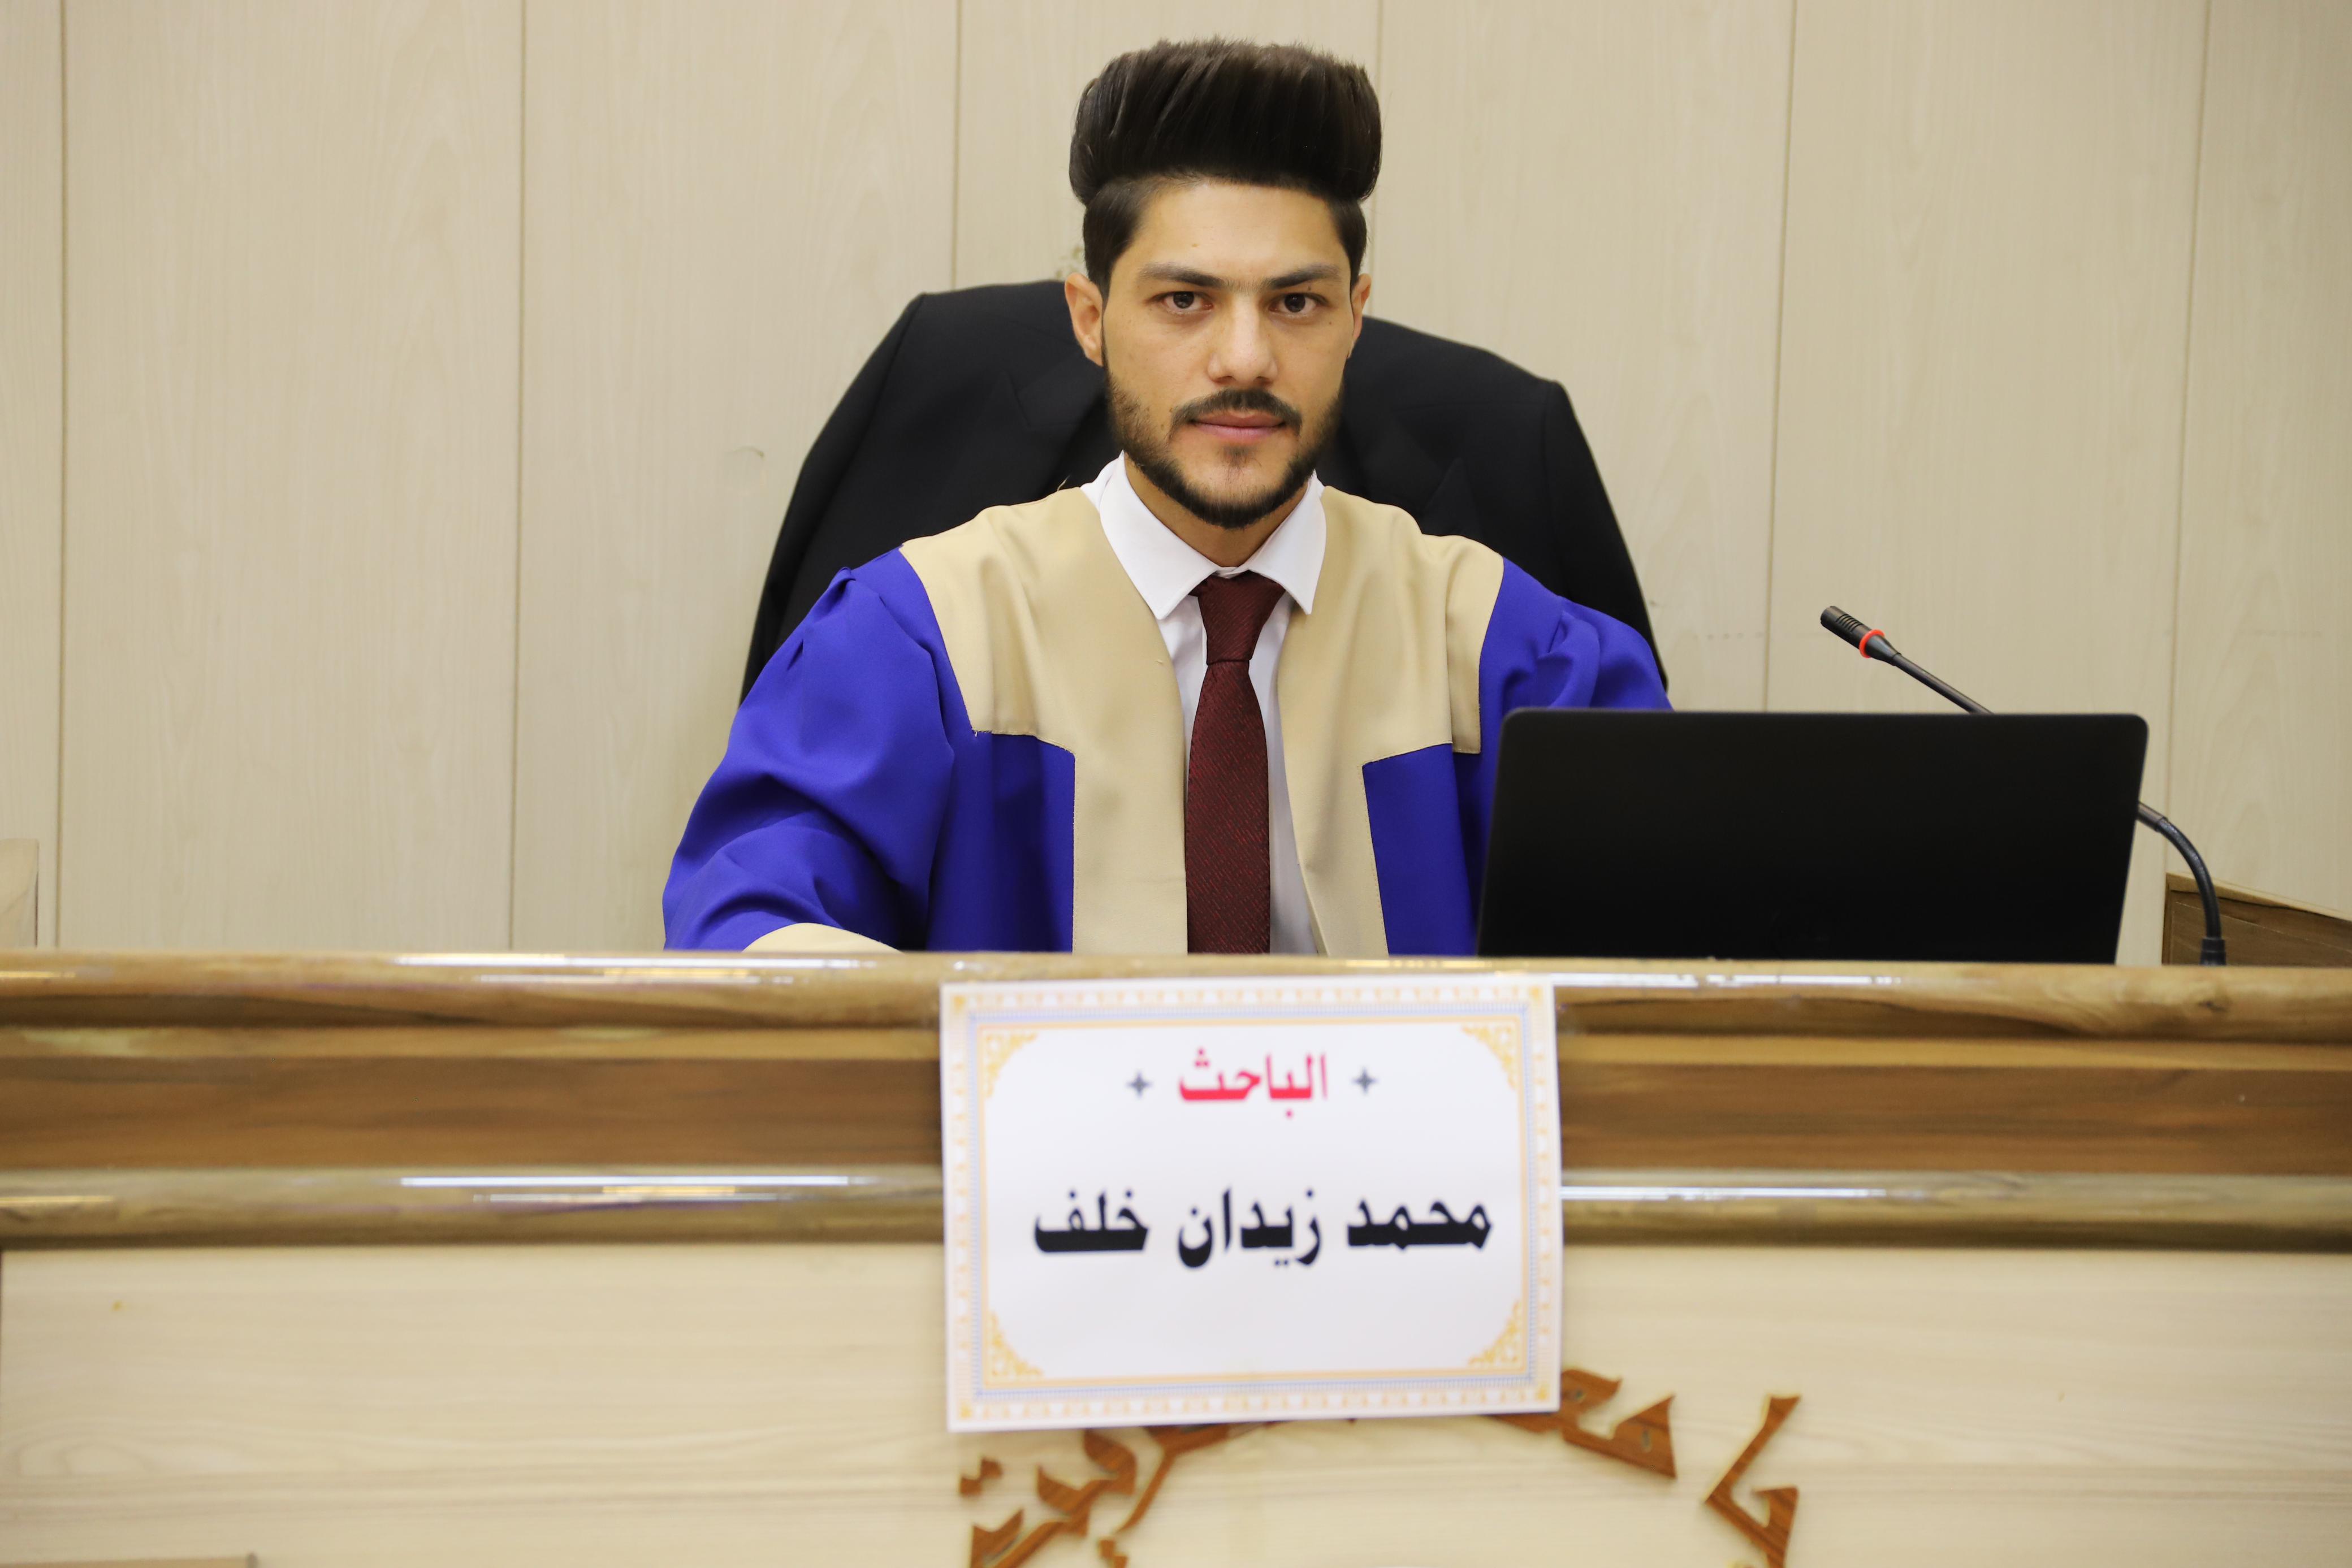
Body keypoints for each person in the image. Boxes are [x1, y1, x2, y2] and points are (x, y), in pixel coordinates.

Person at [664, 38, 1668, 958]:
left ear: (1356, 318)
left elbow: (1673, 948)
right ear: (1090, 318)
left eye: (1297, 303)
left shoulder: (1500, 649)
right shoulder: (926, 638)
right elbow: (747, 929)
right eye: (1185, 301)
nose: (1246, 358)